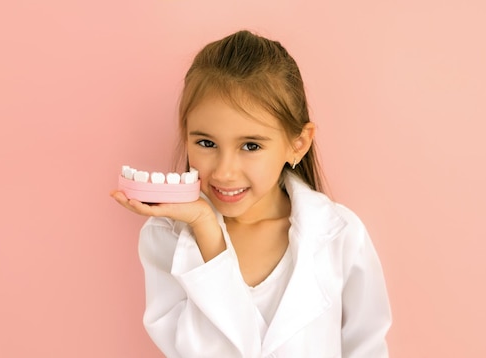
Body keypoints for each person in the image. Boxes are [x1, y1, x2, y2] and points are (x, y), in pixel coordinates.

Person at [110, 30, 391, 358]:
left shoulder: (341, 236)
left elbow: (367, 348)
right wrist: (206, 230)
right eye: (206, 143)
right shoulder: (164, 238)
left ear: (297, 144)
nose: (224, 171)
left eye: (251, 146)